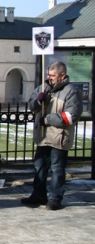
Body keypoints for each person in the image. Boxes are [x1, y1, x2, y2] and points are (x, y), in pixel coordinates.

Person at [22, 61, 83, 210]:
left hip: (59, 136)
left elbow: (70, 116)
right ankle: (38, 195)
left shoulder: (71, 91)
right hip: (43, 136)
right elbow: (30, 106)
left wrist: (47, 119)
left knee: (57, 168)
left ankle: (55, 198)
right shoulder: (43, 88)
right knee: (40, 167)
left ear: (62, 75)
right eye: (48, 75)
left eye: (52, 75)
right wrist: (38, 101)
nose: (49, 78)